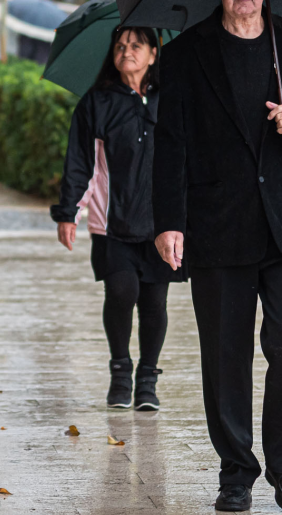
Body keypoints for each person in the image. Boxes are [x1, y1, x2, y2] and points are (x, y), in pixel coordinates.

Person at [152, 0, 282, 512]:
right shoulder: (185, 55)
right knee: (225, 355)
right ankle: (236, 471)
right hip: (217, 225)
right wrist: (169, 222)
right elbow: (170, 144)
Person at [51, 25, 186, 411]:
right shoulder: (96, 102)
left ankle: (147, 380)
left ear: (154, 54)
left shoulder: (171, 99)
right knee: (122, 291)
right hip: (112, 222)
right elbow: (81, 163)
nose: (126, 50)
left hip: (162, 223)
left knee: (155, 302)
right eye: (121, 45)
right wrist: (68, 212)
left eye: (136, 45)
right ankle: (121, 371)